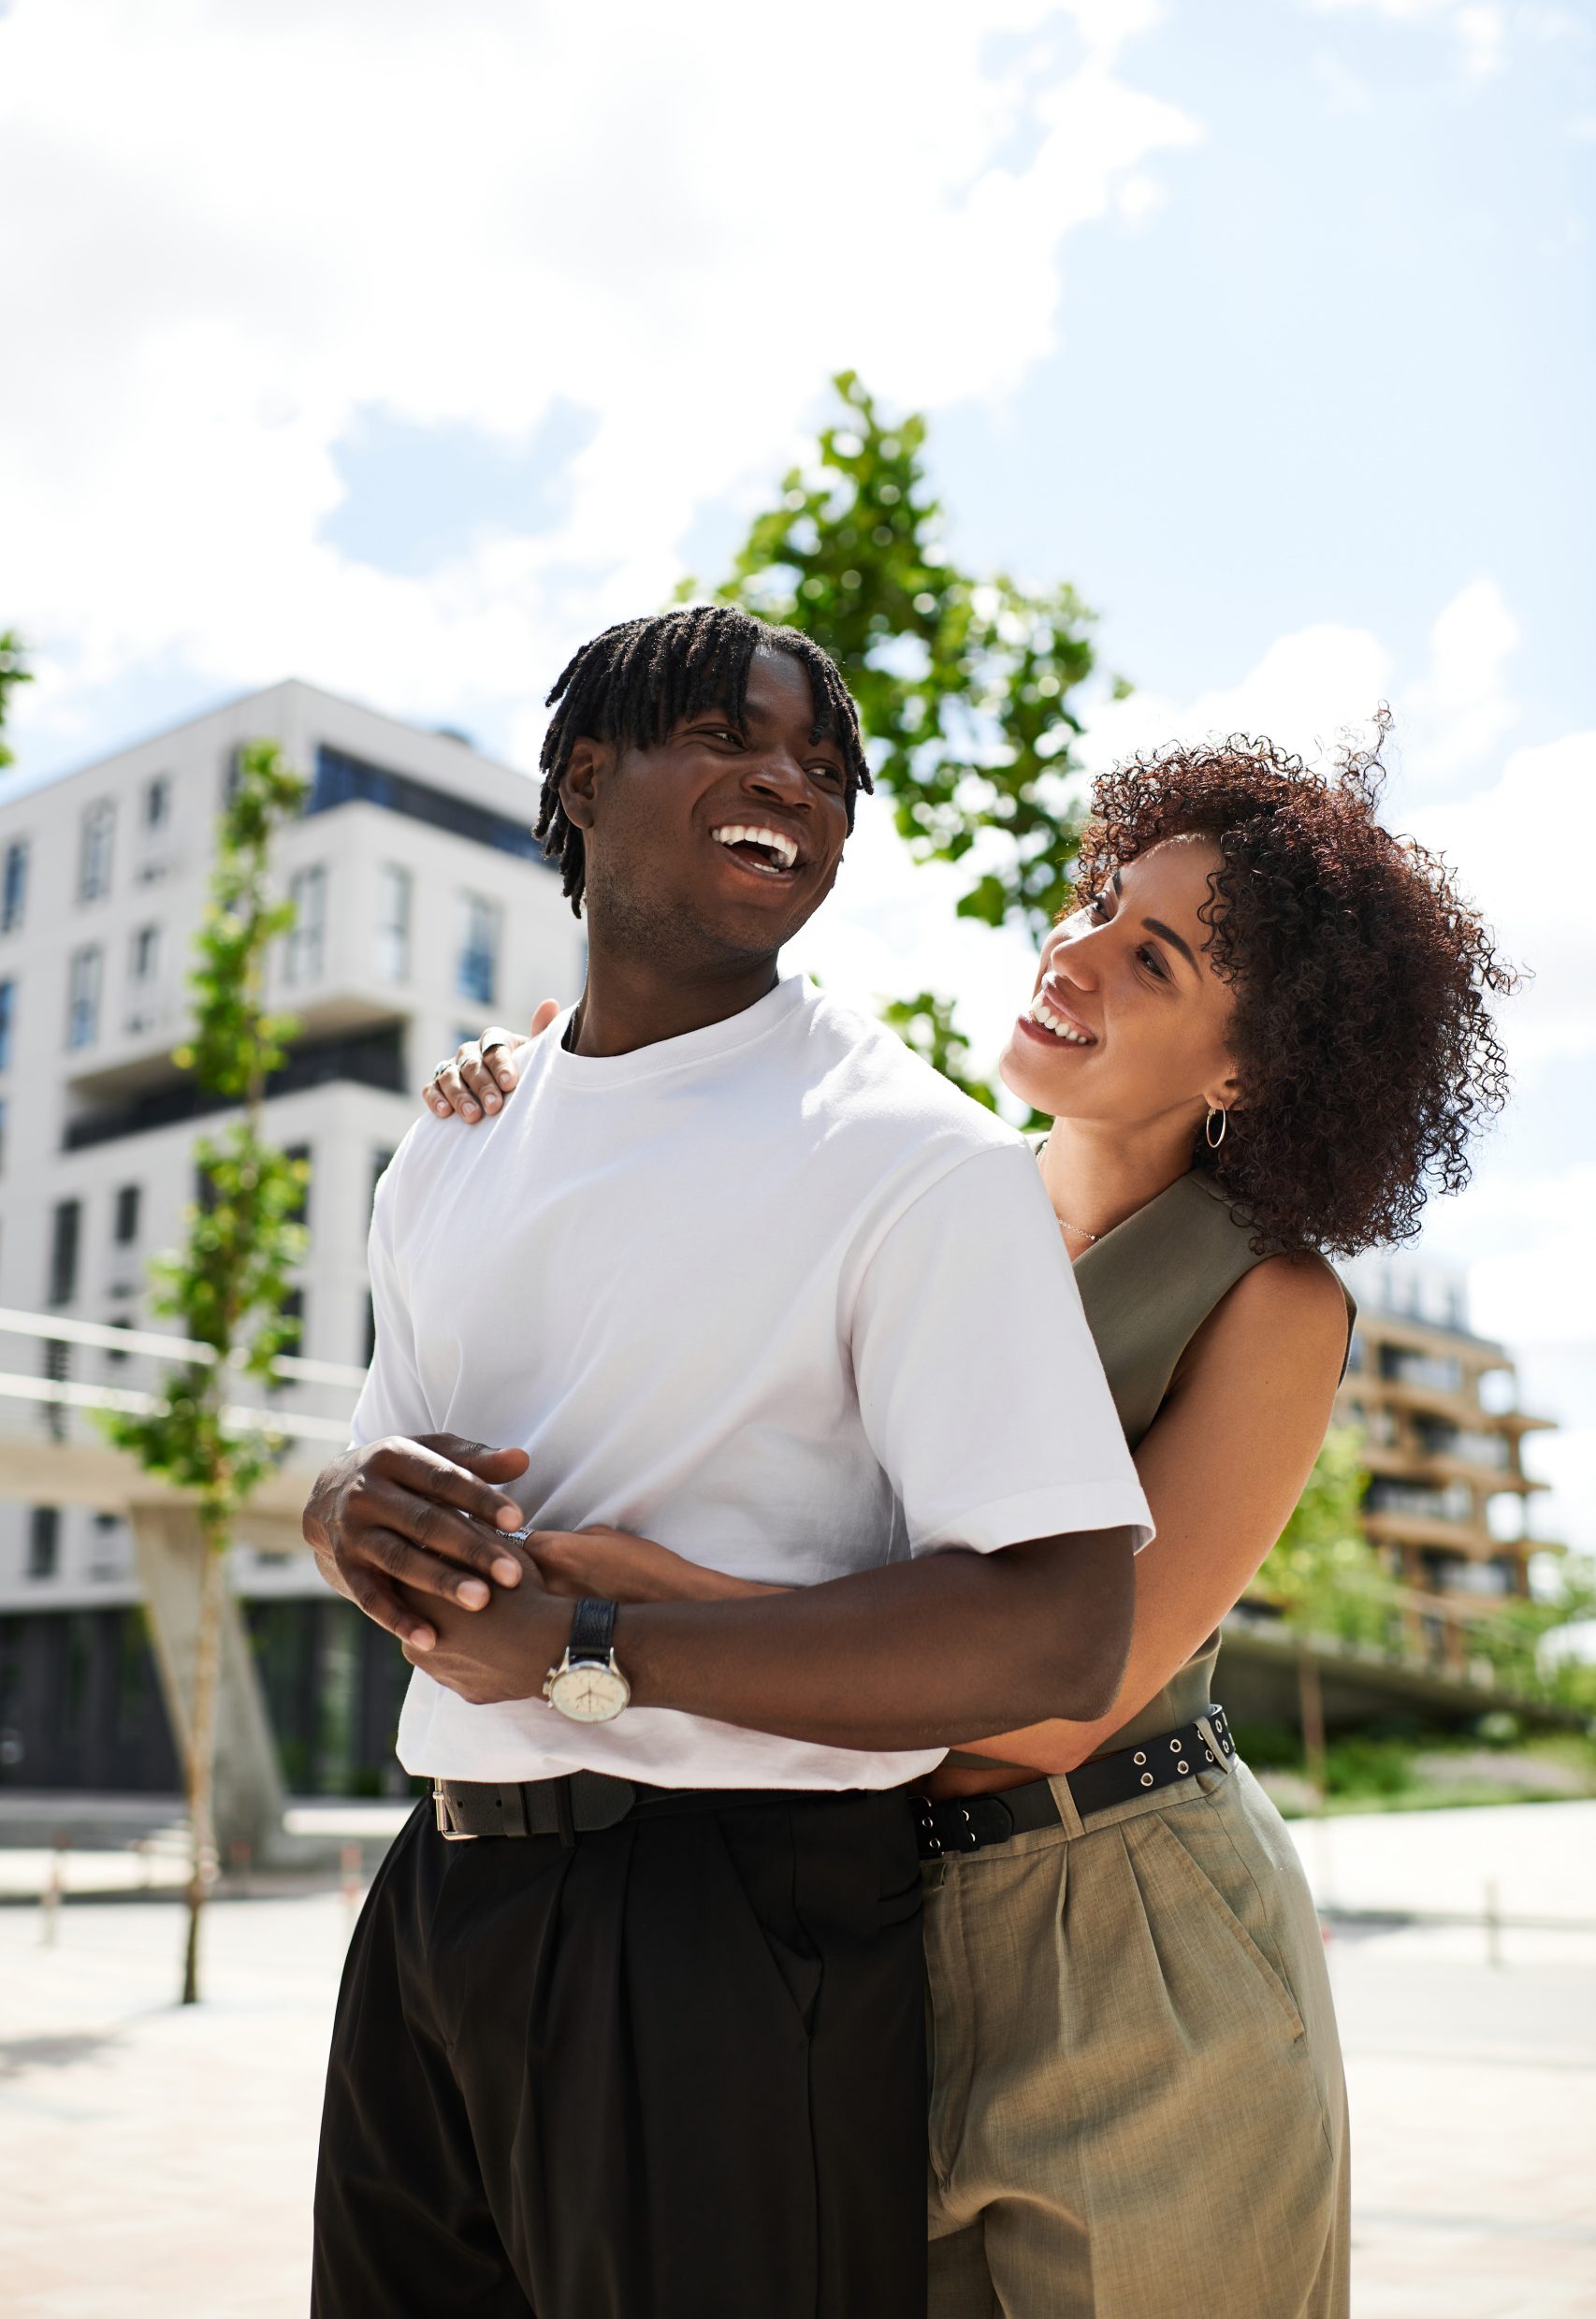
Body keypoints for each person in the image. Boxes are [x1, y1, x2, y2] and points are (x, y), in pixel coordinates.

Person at [422, 726, 1512, 2317]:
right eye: (1092, 906)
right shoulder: (928, 1194)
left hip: (1125, 1929)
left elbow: (1067, 1697)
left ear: (1248, 1070)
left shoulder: (1266, 1297)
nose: (1073, 954)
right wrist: (533, 1082)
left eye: (1152, 959)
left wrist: (636, 1616)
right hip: (860, 1916)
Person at [302, 603, 1152, 2319]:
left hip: (729, 1928)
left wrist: (583, 1654)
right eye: (732, 739)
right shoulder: (446, 1148)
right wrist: (342, 1512)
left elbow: (1057, 1631)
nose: (794, 783)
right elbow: (364, 1451)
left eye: (827, 769)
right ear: (587, 774)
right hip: (439, 1894)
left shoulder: (913, 1159)